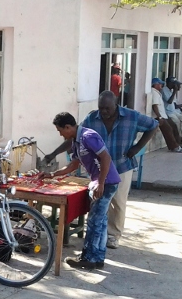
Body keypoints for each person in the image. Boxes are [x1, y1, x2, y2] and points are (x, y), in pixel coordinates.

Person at [42, 112, 122, 270]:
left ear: (68, 127)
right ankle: (98, 258)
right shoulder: (76, 142)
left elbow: (106, 158)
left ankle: (88, 258)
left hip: (107, 182)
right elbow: (73, 165)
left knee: (93, 222)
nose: (60, 134)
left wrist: (101, 183)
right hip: (101, 182)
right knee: (100, 221)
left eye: (60, 131)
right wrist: (52, 174)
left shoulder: (88, 136)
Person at [78, 92, 157, 249]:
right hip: (99, 168)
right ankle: (100, 233)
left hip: (121, 165)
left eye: (107, 108)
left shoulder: (131, 116)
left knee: (118, 202)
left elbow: (153, 125)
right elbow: (77, 134)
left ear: (116, 104)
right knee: (98, 200)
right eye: (101, 108)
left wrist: (137, 147)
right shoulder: (92, 118)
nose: (104, 112)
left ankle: (113, 235)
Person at [150, 78, 182, 153]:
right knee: (168, 130)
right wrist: (159, 117)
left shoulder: (157, 92)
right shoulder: (153, 93)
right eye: (160, 84)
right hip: (160, 116)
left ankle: (178, 145)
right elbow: (155, 106)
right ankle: (174, 147)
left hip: (164, 115)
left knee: (173, 127)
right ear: (155, 84)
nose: (161, 85)